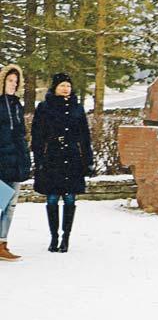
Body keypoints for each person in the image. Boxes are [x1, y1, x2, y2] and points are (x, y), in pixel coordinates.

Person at [31, 73, 94, 253]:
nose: (66, 89)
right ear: (55, 88)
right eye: (62, 86)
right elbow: (37, 136)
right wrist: (39, 159)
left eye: (68, 85)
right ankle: (54, 237)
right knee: (52, 198)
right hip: (52, 157)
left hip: (72, 158)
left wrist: (88, 160)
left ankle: (66, 237)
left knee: (69, 198)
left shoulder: (77, 108)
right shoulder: (44, 107)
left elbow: (85, 137)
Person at [0, 64, 31, 261]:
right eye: (10, 80)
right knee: (0, 201)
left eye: (16, 81)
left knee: (10, 204)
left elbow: (20, 133)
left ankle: (2, 243)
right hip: (1, 160)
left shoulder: (17, 105)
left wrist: (24, 156)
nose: (13, 84)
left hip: (17, 159)